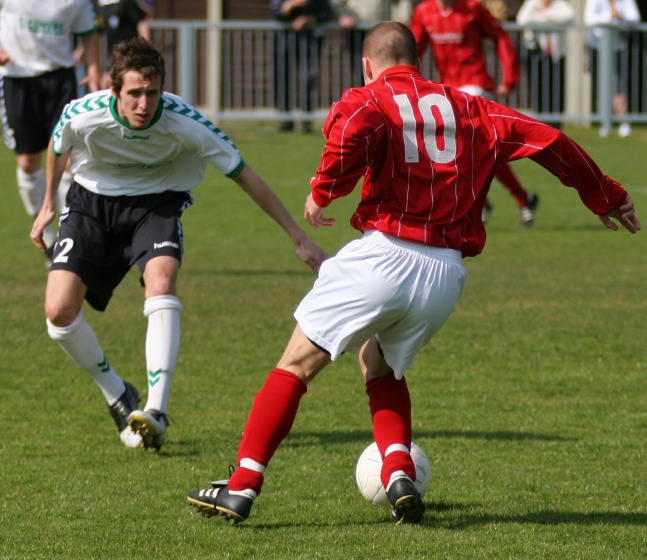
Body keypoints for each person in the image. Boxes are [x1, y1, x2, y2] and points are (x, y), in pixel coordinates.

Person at [187, 22, 639, 526]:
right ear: (420, 63)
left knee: (295, 365)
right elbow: (550, 139)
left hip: (384, 254)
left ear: (367, 63)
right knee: (379, 365)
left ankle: (242, 486)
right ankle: (399, 473)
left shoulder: (371, 95)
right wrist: (606, 194)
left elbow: (352, 122)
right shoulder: (472, 106)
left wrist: (324, 188)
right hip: (444, 274)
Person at [29, 37, 328, 452]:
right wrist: (47, 205)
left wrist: (298, 237)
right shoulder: (85, 113)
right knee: (58, 312)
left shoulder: (187, 122)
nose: (143, 104)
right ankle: (117, 392)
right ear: (114, 90)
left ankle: (156, 409)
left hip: (156, 204)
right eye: (133, 93)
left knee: (162, 282)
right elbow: (58, 144)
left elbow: (246, 176)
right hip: (91, 205)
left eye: (152, 93)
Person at [409, 0, 540, 228]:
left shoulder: (472, 8)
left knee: (464, 149)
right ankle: (520, 198)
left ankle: (480, 201)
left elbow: (499, 35)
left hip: (475, 85)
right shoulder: (424, 12)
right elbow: (414, 48)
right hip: (447, 88)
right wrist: (408, 80)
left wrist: (510, 76)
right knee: (478, 152)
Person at [0, 0, 100, 264]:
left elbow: (89, 32)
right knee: (28, 161)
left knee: (66, 157)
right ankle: (44, 232)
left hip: (61, 80)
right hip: (17, 80)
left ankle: (68, 235)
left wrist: (92, 71)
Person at [271, 0, 353, 132]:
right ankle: (284, 119)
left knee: (308, 79)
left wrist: (309, 19)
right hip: (284, 41)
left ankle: (306, 120)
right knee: (283, 78)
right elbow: (275, 14)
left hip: (310, 42)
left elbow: (326, 13)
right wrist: (289, 6)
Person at [585, 0, 640, 137]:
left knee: (619, 86)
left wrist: (620, 16)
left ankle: (623, 122)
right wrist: (609, 18)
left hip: (618, 47)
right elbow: (589, 19)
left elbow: (635, 18)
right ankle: (605, 123)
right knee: (602, 85)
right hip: (598, 47)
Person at [516, 0, 575, 129]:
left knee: (556, 91)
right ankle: (542, 126)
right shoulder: (532, 3)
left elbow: (569, 16)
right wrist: (547, 19)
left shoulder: (559, 4)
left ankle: (557, 126)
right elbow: (522, 20)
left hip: (556, 56)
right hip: (537, 55)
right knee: (539, 90)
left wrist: (545, 16)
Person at [96, 0, 153, 88]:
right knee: (107, 83)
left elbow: (142, 23)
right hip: (113, 56)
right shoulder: (100, 5)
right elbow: (96, 33)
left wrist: (145, 49)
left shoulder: (126, 3)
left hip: (130, 54)